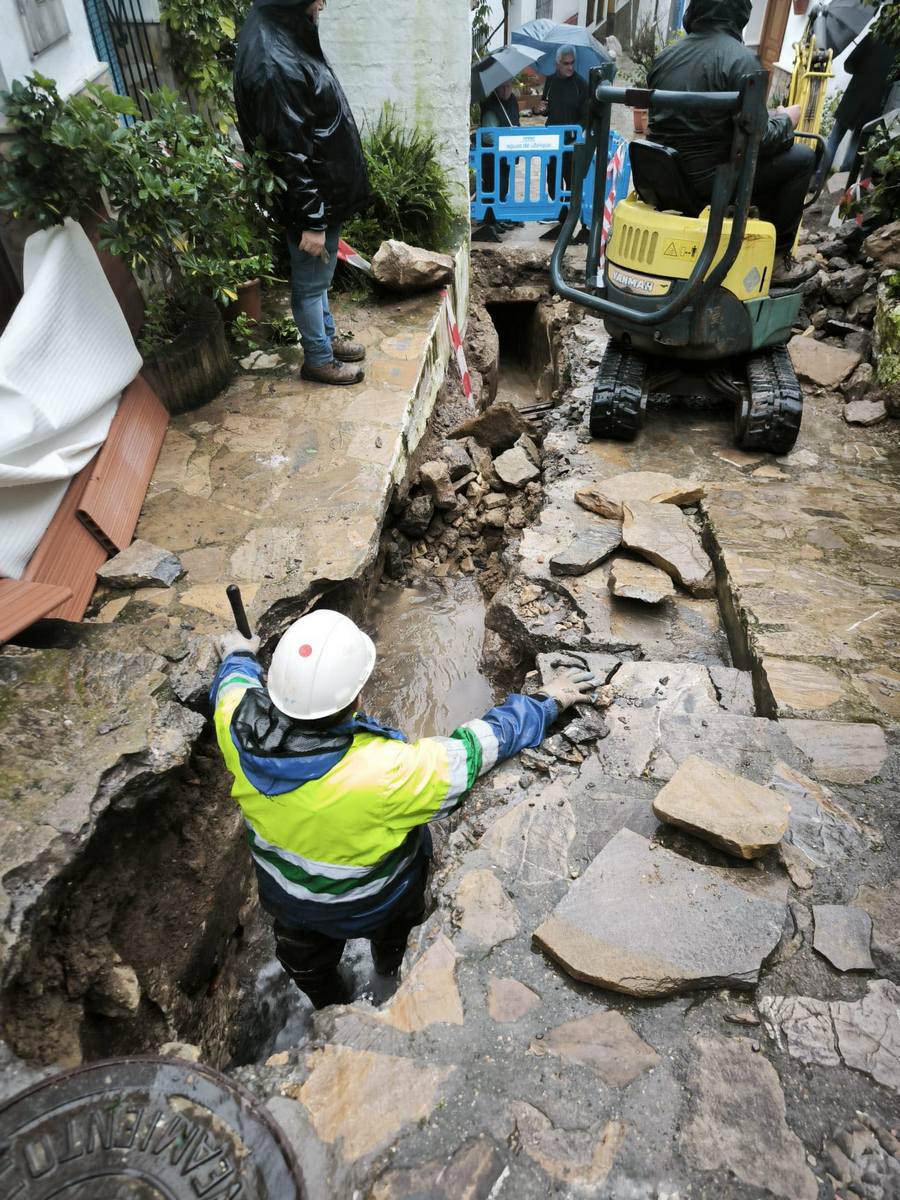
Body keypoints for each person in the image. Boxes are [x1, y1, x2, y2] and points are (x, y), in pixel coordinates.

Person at [210, 609, 597, 1009]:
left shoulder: (236, 728)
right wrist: (546, 703)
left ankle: (331, 1018)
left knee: (311, 972)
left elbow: (233, 686)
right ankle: (389, 978)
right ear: (357, 695)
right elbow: (475, 749)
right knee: (396, 946)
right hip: (383, 900)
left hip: (292, 905)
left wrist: (239, 655)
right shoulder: (387, 772)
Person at [234, 0, 369, 387]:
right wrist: (311, 220)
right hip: (312, 200)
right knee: (310, 283)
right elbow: (289, 150)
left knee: (318, 280)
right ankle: (318, 359)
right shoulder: (274, 59)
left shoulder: (282, 32)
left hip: (321, 193)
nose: (321, 5)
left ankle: (325, 340)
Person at [647, 0, 818, 288]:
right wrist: (787, 120)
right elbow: (758, 141)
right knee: (801, 158)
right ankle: (777, 261)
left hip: (664, 177)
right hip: (709, 183)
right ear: (739, 13)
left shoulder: (666, 56)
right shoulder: (742, 62)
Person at [813, 31, 896, 189]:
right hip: (874, 104)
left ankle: (818, 180)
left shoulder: (874, 35)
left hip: (854, 96)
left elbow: (849, 63)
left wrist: (860, 70)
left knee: (834, 139)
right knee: (857, 144)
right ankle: (840, 184)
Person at [537, 46, 589, 228]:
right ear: (557, 63)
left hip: (571, 142)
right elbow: (546, 107)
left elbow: (586, 116)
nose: (570, 67)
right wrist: (541, 109)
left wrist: (578, 134)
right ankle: (559, 213)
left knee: (570, 178)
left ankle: (568, 216)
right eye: (566, 63)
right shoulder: (550, 81)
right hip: (552, 140)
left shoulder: (580, 84)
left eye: (572, 63)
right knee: (552, 179)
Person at [474, 80, 522, 243]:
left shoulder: (512, 101)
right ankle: (490, 221)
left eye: (508, 85)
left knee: (503, 187)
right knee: (492, 188)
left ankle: (498, 217)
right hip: (492, 158)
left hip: (506, 157)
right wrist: (508, 139)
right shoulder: (491, 107)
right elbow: (488, 135)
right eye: (502, 86)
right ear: (496, 87)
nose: (506, 89)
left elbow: (516, 121)